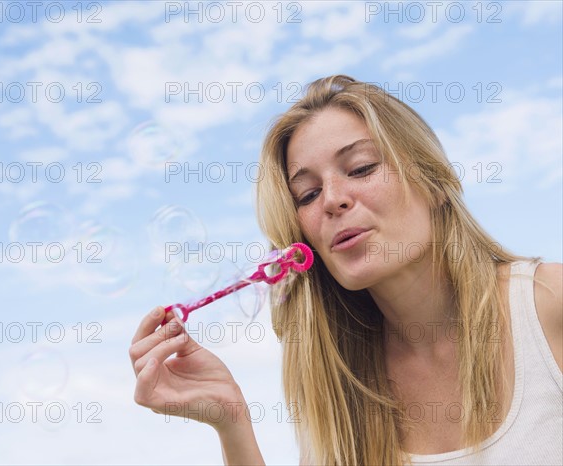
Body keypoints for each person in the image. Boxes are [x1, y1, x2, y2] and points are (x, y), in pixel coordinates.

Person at [129, 75, 562, 465]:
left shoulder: (549, 305)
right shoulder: (339, 387)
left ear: (433, 183)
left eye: (361, 168)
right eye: (307, 193)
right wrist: (230, 418)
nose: (333, 199)